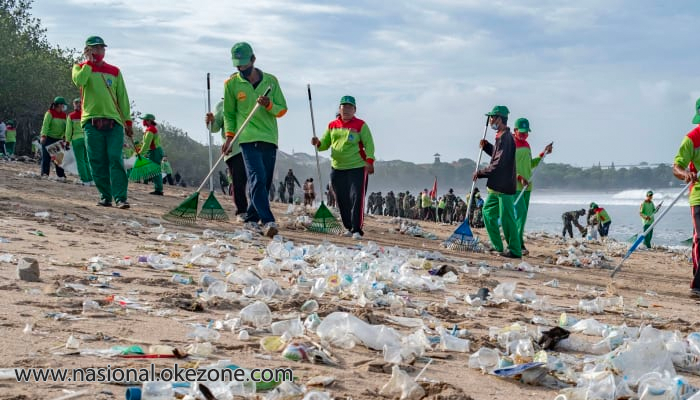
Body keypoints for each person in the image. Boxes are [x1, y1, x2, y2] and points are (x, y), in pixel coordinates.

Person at [223, 42, 287, 237]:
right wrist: (229, 137)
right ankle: (268, 221)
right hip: (247, 138)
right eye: (238, 65)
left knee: (264, 183)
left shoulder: (271, 81)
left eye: (244, 64)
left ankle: (251, 219)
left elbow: (282, 109)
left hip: (269, 137)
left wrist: (268, 104)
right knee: (256, 178)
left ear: (253, 60)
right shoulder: (231, 84)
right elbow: (229, 114)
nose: (241, 69)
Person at [72, 35, 133, 209]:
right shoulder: (80, 68)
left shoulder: (114, 71)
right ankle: (105, 196)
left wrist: (127, 122)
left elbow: (123, 98)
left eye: (101, 48)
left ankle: (121, 197)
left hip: (114, 122)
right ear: (87, 50)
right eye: (95, 48)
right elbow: (79, 81)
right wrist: (89, 62)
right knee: (96, 160)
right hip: (91, 123)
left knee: (115, 158)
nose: (99, 52)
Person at [311, 95, 375, 239]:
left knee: (356, 197)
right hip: (337, 168)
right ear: (339, 109)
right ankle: (348, 227)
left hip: (357, 167)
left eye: (349, 107)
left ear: (354, 109)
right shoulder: (332, 125)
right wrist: (317, 143)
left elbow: (369, 144)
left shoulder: (360, 125)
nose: (346, 109)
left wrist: (370, 161)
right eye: (343, 106)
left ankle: (357, 229)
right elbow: (325, 145)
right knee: (341, 198)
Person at [473, 105, 521, 258]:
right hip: (495, 186)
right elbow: (496, 154)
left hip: (504, 186)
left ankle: (514, 250)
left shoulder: (506, 137)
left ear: (500, 119)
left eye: (493, 117)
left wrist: (480, 173)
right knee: (487, 213)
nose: (491, 120)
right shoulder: (500, 136)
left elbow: (498, 164)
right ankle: (497, 245)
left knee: (507, 219)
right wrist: (487, 147)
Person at [513, 117, 553, 255]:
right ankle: (516, 244)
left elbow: (531, 164)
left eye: (526, 133)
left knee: (522, 218)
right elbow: (507, 166)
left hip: (527, 187)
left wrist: (544, 153)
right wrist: (519, 177)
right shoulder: (510, 143)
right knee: (520, 214)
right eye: (521, 132)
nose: (524, 135)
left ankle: (519, 243)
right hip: (515, 186)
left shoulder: (527, 145)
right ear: (515, 130)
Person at [673, 99, 700, 295]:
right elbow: (676, 167)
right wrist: (686, 174)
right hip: (698, 196)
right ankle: (698, 283)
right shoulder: (691, 139)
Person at [207, 99, 248, 219]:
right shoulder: (222, 105)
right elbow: (214, 128)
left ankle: (256, 212)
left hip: (252, 145)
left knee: (257, 181)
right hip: (233, 149)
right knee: (238, 181)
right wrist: (210, 121)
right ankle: (242, 211)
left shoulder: (248, 99)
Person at [65, 98, 93, 186]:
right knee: (86, 160)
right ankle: (91, 179)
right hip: (86, 139)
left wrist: (67, 141)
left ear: (74, 105)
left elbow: (68, 131)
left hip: (76, 140)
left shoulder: (71, 116)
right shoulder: (87, 115)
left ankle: (84, 180)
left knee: (80, 161)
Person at [39, 97, 68, 180]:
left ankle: (61, 175)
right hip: (48, 138)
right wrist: (43, 136)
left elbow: (67, 127)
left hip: (58, 139)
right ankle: (45, 174)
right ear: (59, 105)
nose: (64, 107)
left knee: (59, 159)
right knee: (46, 157)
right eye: (63, 105)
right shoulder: (49, 113)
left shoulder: (64, 115)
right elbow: (45, 125)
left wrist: (66, 136)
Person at [138, 113, 164, 195]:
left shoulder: (150, 130)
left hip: (155, 151)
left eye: (144, 120)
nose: (143, 122)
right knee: (154, 170)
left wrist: (140, 153)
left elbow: (147, 144)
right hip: (154, 151)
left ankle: (159, 190)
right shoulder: (151, 129)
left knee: (155, 170)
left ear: (149, 121)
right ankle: (158, 189)